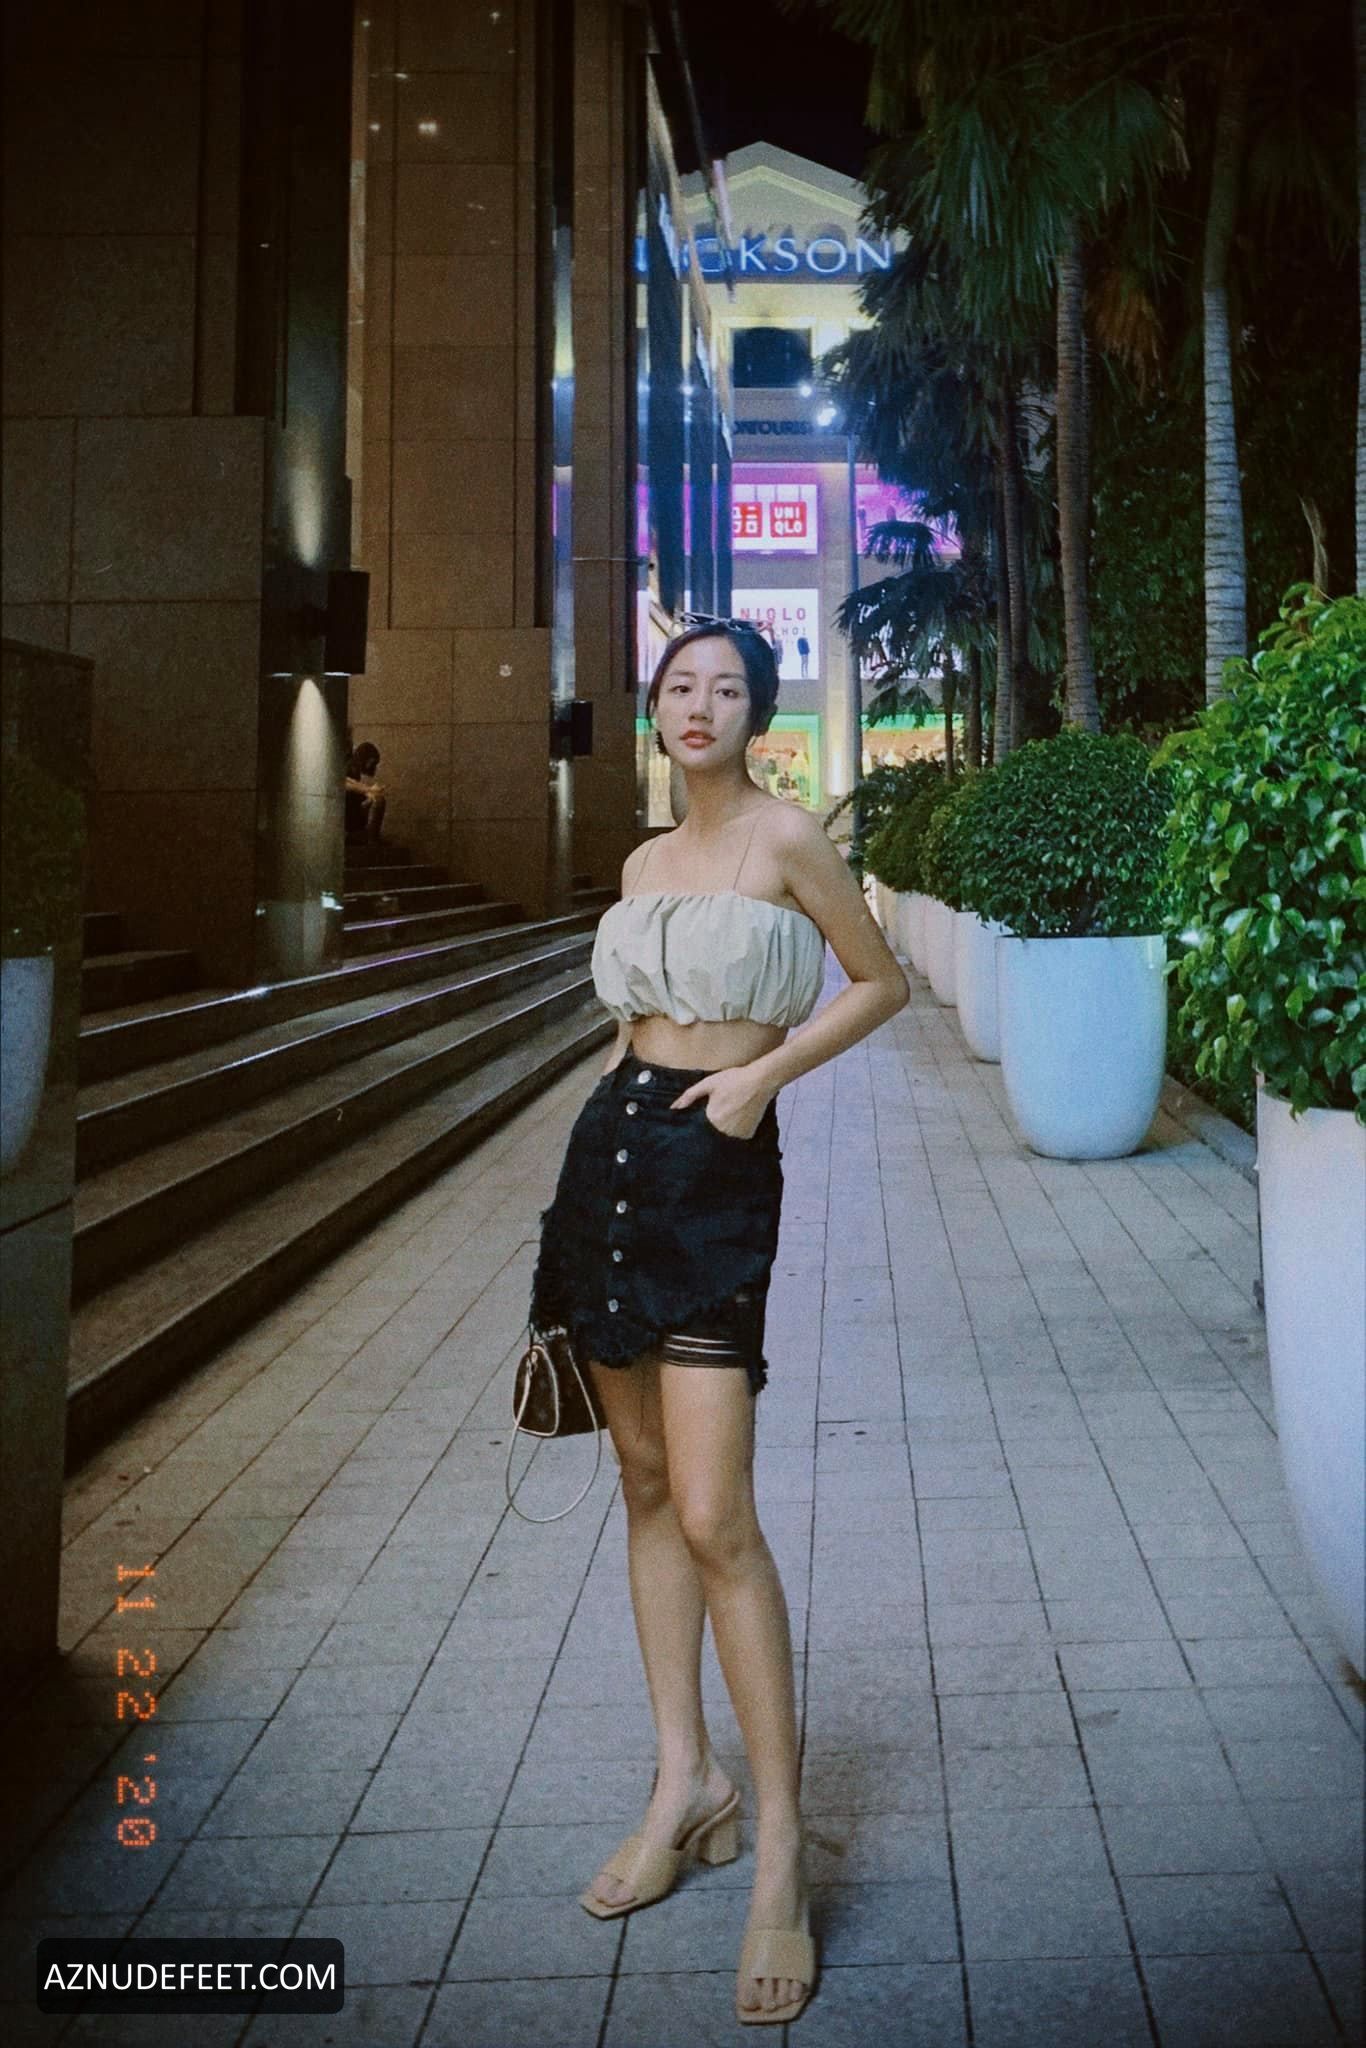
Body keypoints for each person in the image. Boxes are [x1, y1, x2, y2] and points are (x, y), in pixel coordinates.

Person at [529, 618, 909, 2026]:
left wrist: (764, 1080)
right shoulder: (642, 862)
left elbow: (880, 980)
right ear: (655, 709)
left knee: (714, 1513)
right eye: (679, 686)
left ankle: (782, 1847)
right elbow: (631, 1023)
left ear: (757, 712)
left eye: (726, 687)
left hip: (717, 1169)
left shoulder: (786, 838)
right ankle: (683, 1779)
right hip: (615, 1160)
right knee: (641, 1487)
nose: (699, 705)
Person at [344, 741, 386, 844]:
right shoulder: (349, 766)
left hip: (351, 809)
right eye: (372, 763)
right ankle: (370, 838)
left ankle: (369, 836)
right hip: (345, 812)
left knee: (376, 799)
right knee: (378, 800)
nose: (372, 767)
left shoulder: (354, 769)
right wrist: (368, 790)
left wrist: (368, 792)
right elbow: (342, 782)